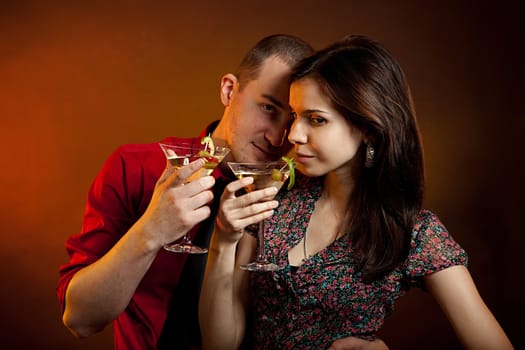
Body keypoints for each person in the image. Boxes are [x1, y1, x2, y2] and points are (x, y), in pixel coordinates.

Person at [57, 34, 386, 350]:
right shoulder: (136, 167)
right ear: (229, 90)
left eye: (294, 119)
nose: (277, 138)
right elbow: (81, 319)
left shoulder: (303, 199)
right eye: (269, 108)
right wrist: (150, 233)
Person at [199, 35, 514, 349]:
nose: (293, 134)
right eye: (296, 116)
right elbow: (220, 344)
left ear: (368, 127)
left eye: (317, 120)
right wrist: (223, 242)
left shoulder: (415, 233)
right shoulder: (275, 198)